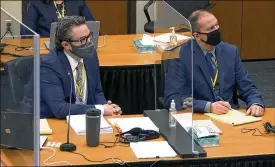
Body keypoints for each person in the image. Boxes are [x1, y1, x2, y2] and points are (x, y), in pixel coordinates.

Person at [164, 9, 264, 117]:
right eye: (211, 28)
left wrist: (256, 103)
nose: (216, 30)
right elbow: (172, 98)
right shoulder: (180, 56)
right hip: (199, 116)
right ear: (196, 36)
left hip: (230, 116)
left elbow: (248, 87)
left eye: (217, 25)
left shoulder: (230, 51)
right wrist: (207, 106)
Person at [21, 16, 121, 119]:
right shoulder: (48, 66)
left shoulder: (90, 56)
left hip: (81, 119)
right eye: (83, 39)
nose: (89, 42)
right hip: (50, 122)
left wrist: (107, 108)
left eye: (89, 36)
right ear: (66, 45)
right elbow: (60, 109)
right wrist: (101, 109)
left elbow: (96, 91)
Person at [21, 0, 95, 37]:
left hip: (75, 45)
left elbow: (92, 26)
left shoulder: (77, 1)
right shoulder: (36, 3)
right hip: (47, 49)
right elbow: (27, 31)